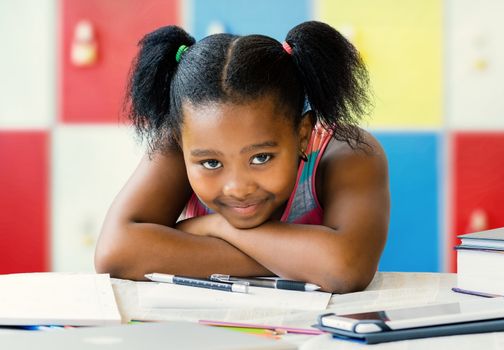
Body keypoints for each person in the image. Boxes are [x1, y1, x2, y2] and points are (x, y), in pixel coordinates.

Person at [95, 21, 390, 293]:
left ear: (302, 134)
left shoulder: (348, 152)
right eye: (212, 164)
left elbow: (346, 268)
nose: (237, 187)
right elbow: (115, 253)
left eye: (261, 158)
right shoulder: (180, 144)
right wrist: (307, 262)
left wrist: (218, 228)